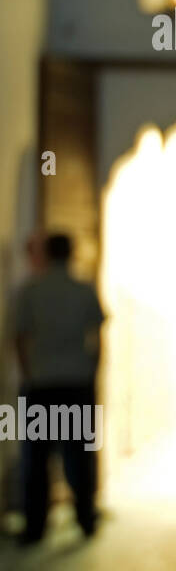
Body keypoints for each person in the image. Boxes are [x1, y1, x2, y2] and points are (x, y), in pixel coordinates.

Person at [11, 233, 105, 544]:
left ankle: (35, 526)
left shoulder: (31, 291)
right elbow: (96, 338)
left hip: (41, 384)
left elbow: (20, 338)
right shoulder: (84, 291)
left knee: (37, 460)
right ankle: (85, 518)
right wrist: (91, 373)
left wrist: (28, 375)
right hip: (76, 384)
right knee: (79, 455)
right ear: (72, 253)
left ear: (47, 254)